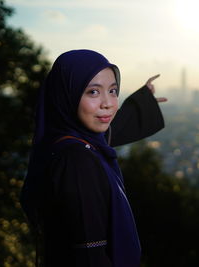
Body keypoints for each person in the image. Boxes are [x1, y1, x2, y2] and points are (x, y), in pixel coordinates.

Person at [20, 49, 166, 267]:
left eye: (113, 90)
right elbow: (89, 256)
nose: (108, 103)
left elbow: (107, 131)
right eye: (93, 92)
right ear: (66, 96)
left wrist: (142, 101)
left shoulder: (68, 143)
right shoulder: (77, 161)